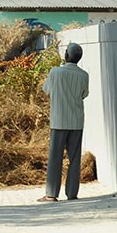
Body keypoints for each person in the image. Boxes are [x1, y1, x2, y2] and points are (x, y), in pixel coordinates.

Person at [40, 42, 89, 202]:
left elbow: (46, 89)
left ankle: (51, 194)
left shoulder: (56, 72)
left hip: (59, 120)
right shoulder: (84, 75)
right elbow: (84, 94)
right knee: (74, 158)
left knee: (55, 157)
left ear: (66, 55)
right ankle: (72, 193)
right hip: (76, 121)